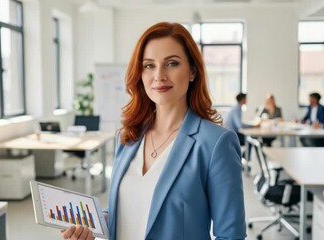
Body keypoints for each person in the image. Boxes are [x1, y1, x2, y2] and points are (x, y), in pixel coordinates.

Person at [62, 22, 246, 240]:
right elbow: (131, 213)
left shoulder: (216, 143)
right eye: (149, 65)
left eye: (172, 63)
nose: (159, 75)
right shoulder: (127, 137)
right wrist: (89, 227)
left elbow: (231, 235)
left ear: (192, 71)